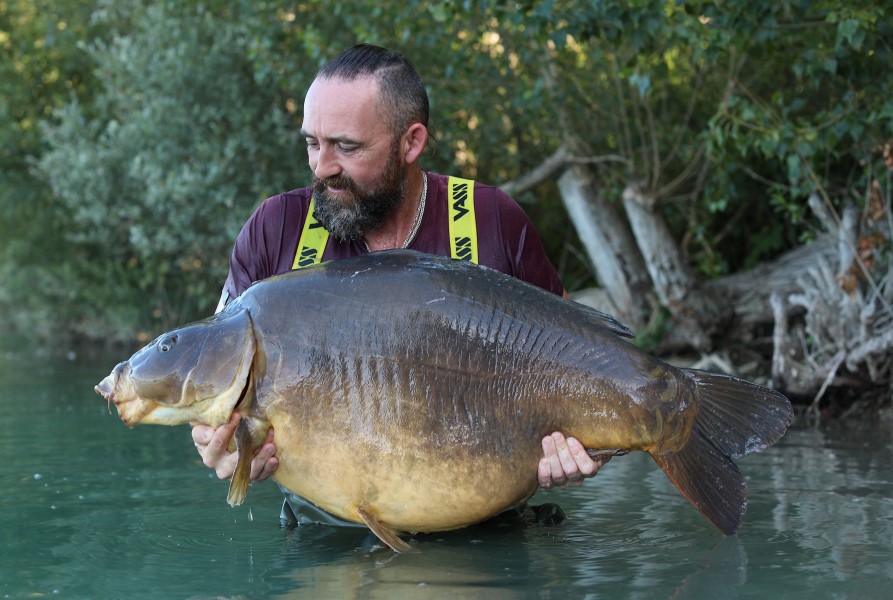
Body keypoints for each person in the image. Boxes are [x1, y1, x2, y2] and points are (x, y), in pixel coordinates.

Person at [191, 44, 605, 528]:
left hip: (490, 539)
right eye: (311, 143)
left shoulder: (492, 220)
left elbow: (587, 368)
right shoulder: (275, 228)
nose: (321, 167)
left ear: (411, 142)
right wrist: (217, 444)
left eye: (346, 147)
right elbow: (209, 371)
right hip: (327, 537)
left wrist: (588, 450)